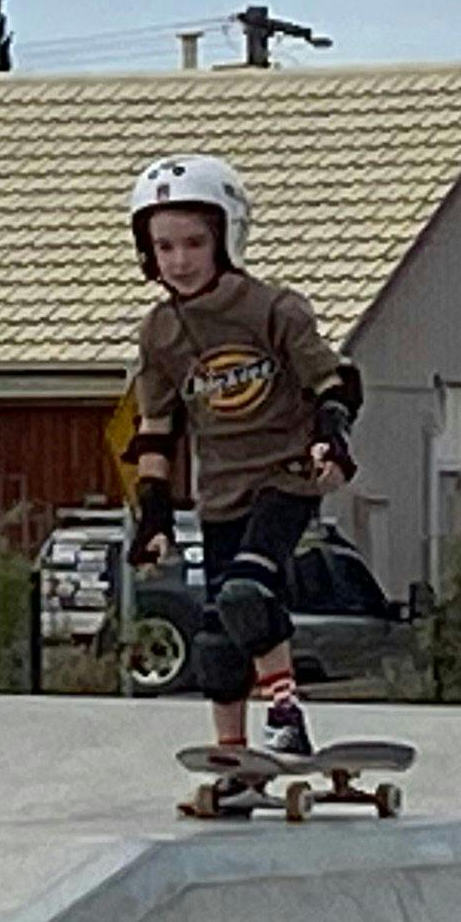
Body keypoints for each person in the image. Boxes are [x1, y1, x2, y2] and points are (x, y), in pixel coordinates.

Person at [121, 153, 360, 771]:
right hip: (220, 493)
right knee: (215, 640)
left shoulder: (272, 308)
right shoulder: (160, 334)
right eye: (165, 246)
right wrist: (153, 514)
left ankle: (284, 715)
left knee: (248, 591)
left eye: (195, 242)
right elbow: (156, 428)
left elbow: (333, 381)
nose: (180, 260)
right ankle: (233, 758)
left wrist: (332, 440)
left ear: (227, 235)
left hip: (285, 477)